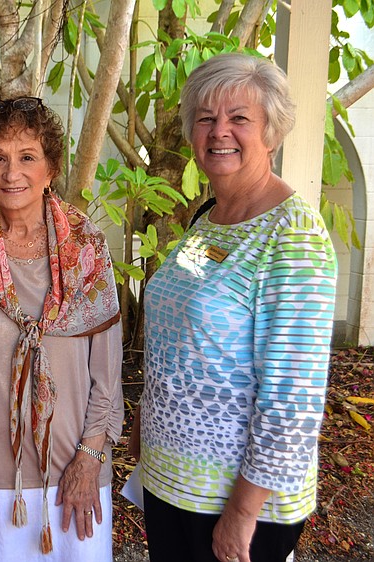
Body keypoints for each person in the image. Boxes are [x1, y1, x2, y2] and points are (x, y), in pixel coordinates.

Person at [129, 53, 338, 562]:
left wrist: (242, 513)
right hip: (173, 482)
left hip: (236, 504)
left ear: (271, 131)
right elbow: (186, 321)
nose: (220, 131)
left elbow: (293, 397)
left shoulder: (293, 236)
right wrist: (145, 422)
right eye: (206, 118)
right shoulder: (210, 219)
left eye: (239, 118)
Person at [0, 96, 123, 561]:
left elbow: (107, 376)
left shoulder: (87, 250)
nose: (11, 172)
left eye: (27, 157)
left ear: (51, 168)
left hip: (73, 479)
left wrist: (91, 458)